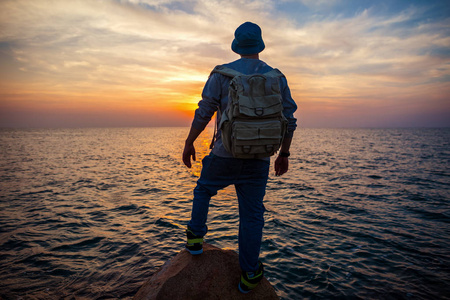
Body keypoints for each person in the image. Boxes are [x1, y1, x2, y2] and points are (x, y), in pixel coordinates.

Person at [182, 21, 297, 293]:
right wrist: (284, 153)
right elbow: (289, 120)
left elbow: (204, 111)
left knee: (204, 190)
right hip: (259, 158)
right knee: (252, 215)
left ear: (236, 45)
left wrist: (189, 142)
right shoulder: (276, 77)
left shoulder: (222, 74)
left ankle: (195, 241)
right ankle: (248, 275)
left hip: (224, 152)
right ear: (259, 45)